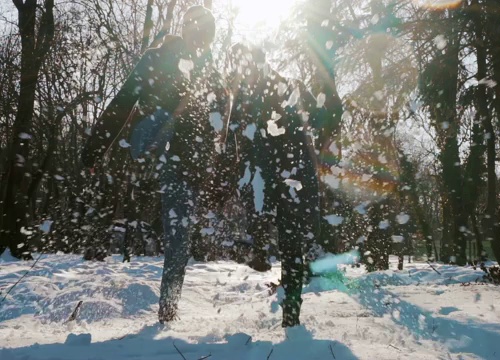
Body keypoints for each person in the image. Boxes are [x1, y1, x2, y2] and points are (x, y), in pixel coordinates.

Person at [81, 5, 218, 323]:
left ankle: (168, 310)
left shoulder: (206, 69)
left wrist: (217, 165)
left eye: (206, 38)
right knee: (174, 228)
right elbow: (123, 101)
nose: (201, 43)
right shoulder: (158, 58)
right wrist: (94, 150)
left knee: (179, 233)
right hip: (152, 147)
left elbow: (217, 120)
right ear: (187, 32)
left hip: (183, 159)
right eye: (198, 35)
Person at [222, 43, 321, 326]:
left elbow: (323, 115)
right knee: (273, 232)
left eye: (246, 68)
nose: (244, 74)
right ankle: (261, 254)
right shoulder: (246, 97)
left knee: (291, 245)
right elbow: (236, 139)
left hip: (291, 178)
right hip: (272, 179)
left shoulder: (289, 87)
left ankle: (291, 313)